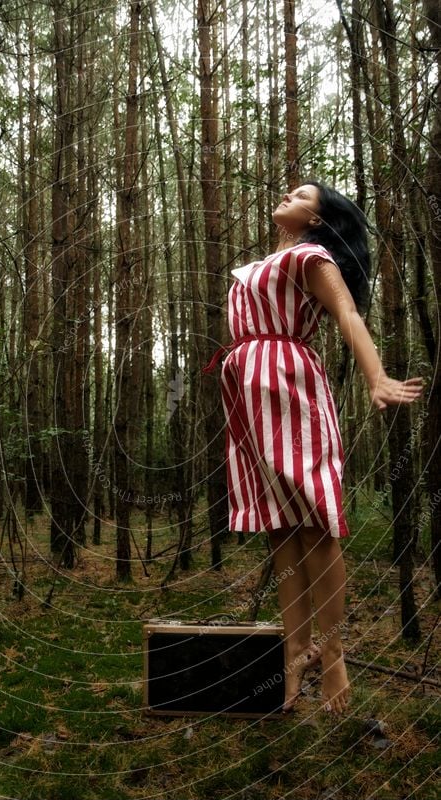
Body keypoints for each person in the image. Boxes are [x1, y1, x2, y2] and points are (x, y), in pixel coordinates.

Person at [202, 181, 424, 715]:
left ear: (318, 220)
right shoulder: (268, 261)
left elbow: (348, 315)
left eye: (301, 194)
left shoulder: (310, 256)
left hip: (288, 384)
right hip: (248, 394)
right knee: (281, 526)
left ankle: (335, 653)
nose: (286, 194)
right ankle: (296, 650)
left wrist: (377, 377)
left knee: (314, 522)